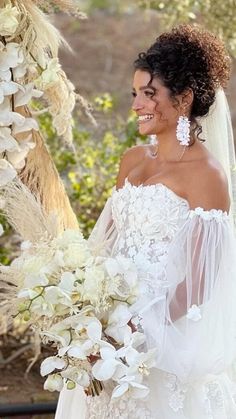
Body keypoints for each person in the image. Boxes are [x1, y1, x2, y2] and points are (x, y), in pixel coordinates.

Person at [55, 24, 236, 419]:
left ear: (184, 98)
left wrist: (137, 330)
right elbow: (107, 244)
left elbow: (200, 282)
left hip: (161, 337)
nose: (136, 105)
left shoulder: (207, 175)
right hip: (104, 333)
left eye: (149, 94)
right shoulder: (132, 161)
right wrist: (88, 313)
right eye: (135, 93)